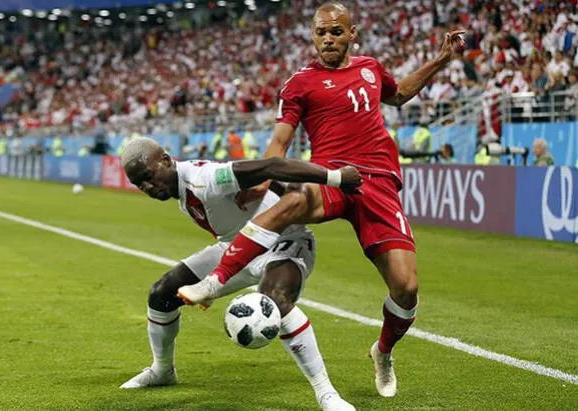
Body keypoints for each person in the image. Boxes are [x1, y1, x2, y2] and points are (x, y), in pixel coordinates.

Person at [177, 1, 466, 398]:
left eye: (335, 31)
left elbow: (398, 96)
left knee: (406, 287)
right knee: (292, 203)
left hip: (378, 183)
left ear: (351, 34)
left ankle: (383, 351)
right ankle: (215, 280)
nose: (327, 39)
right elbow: (280, 140)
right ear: (313, 37)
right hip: (331, 177)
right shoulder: (299, 83)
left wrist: (443, 59)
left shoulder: (370, 68)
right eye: (320, 33)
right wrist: (262, 178)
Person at [119, 138, 361, 411]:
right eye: (140, 184)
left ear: (165, 160)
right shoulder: (183, 189)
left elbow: (272, 165)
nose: (147, 187)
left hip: (283, 242)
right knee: (161, 293)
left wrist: (336, 177)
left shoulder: (205, 179)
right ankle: (162, 371)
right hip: (235, 247)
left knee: (276, 302)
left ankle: (326, 394)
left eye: (149, 176)